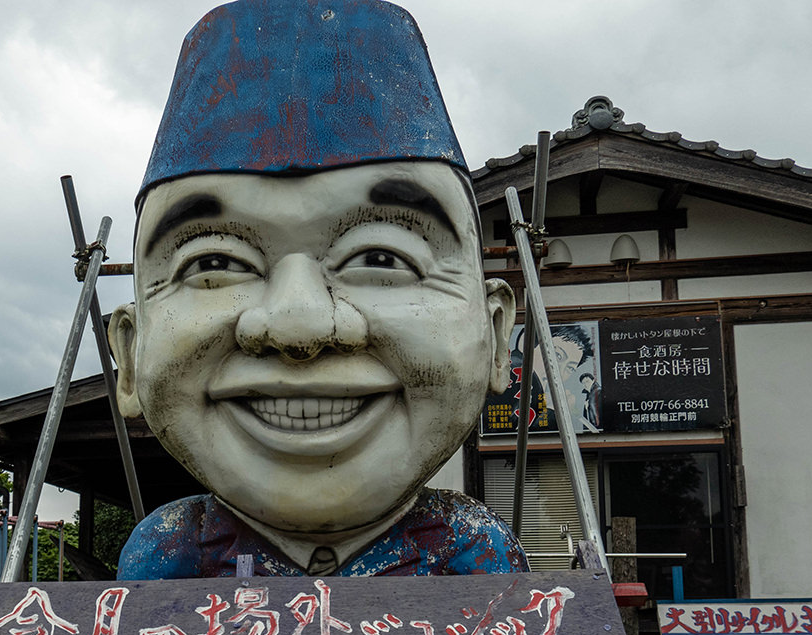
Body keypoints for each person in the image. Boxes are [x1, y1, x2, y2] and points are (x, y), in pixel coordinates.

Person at [108, 0, 526, 579]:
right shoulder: (173, 554)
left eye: (382, 257)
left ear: (497, 336)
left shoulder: (470, 552)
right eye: (214, 263)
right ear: (128, 356)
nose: (298, 326)